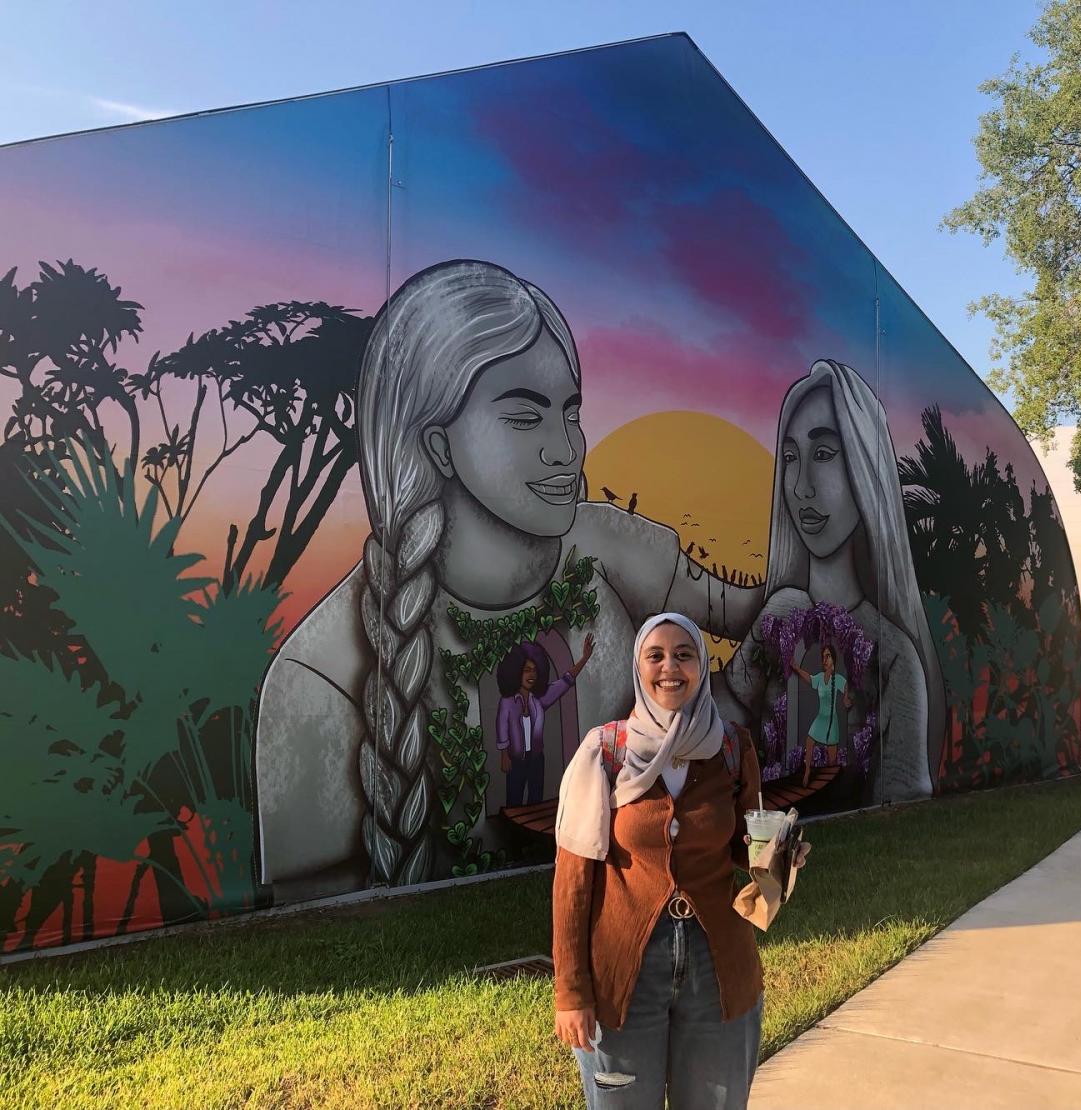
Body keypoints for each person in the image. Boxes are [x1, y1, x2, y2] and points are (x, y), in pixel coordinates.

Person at [255, 260, 765, 898]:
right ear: (439, 445)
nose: (566, 448)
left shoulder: (611, 547)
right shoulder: (320, 676)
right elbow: (315, 912)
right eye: (526, 419)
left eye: (570, 413)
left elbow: (745, 617)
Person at [553, 612, 763, 1109]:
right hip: (624, 976)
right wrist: (572, 993)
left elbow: (749, 846)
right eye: (656, 655)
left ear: (701, 666)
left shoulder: (732, 747)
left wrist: (780, 857)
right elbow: (571, 883)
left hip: (718, 971)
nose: (670, 667)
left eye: (684, 654)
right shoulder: (604, 752)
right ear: (638, 667)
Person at [724, 359, 945, 804]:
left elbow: (902, 791)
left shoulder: (896, 654)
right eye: (790, 458)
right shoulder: (780, 611)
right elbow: (721, 718)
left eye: (823, 454)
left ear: (866, 468)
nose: (801, 485)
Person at [496, 633, 595, 807]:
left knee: (536, 801)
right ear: (516, 671)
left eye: (534, 670)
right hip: (515, 761)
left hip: (536, 760)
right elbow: (502, 727)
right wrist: (504, 755)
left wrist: (584, 658)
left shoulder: (539, 700)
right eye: (527, 670)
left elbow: (565, 681)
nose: (531, 674)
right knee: (513, 803)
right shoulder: (507, 702)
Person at [791, 643, 851, 787]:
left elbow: (846, 685)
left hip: (832, 721)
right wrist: (797, 668)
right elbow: (809, 678)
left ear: (833, 661)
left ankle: (830, 785)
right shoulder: (819, 678)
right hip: (820, 719)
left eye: (828, 656)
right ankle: (807, 771)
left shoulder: (837, 680)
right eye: (823, 657)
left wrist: (846, 698)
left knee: (832, 761)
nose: (824, 660)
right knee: (809, 741)